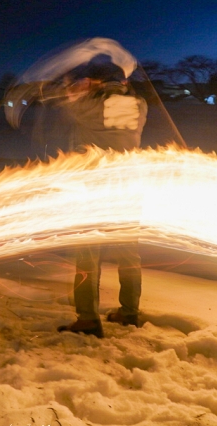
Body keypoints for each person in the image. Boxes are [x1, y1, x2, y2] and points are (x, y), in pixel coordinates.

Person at [54, 62, 148, 338]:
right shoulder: (139, 105)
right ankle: (129, 312)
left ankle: (87, 318)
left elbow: (66, 101)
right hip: (128, 187)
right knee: (128, 254)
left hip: (96, 189)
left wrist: (75, 85)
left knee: (87, 254)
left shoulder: (89, 106)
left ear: (97, 82)